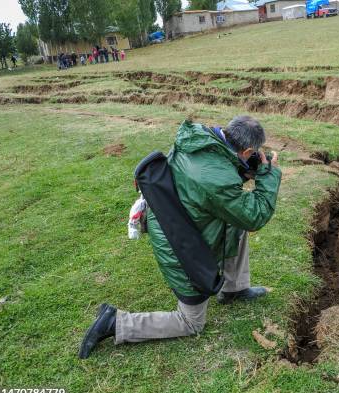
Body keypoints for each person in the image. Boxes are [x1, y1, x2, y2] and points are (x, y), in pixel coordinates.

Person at [78, 116, 282, 359]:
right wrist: (269, 173)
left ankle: (233, 289)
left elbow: (213, 180)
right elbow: (254, 216)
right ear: (247, 150)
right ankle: (116, 323)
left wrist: (245, 169)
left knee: (234, 224)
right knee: (191, 322)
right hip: (180, 246)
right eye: (252, 155)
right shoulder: (214, 178)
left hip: (175, 220)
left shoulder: (199, 140)